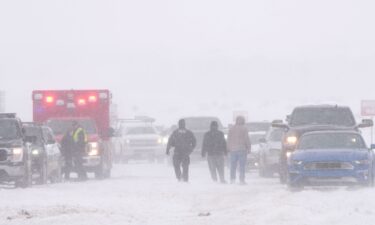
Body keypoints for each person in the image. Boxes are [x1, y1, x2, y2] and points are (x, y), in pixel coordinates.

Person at [227, 116, 251, 185]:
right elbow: (247, 139)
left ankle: (232, 179)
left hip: (233, 150)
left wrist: (228, 148)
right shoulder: (244, 128)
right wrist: (249, 148)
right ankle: (242, 179)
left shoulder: (231, 129)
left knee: (233, 165)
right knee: (242, 166)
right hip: (242, 149)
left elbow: (229, 139)